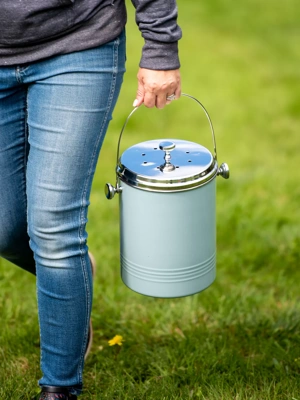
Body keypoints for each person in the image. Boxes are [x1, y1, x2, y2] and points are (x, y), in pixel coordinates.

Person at [0, 0, 181, 398]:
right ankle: (76, 274)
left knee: (53, 230)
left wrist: (161, 46)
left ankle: (59, 387)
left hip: (78, 43)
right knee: (5, 229)